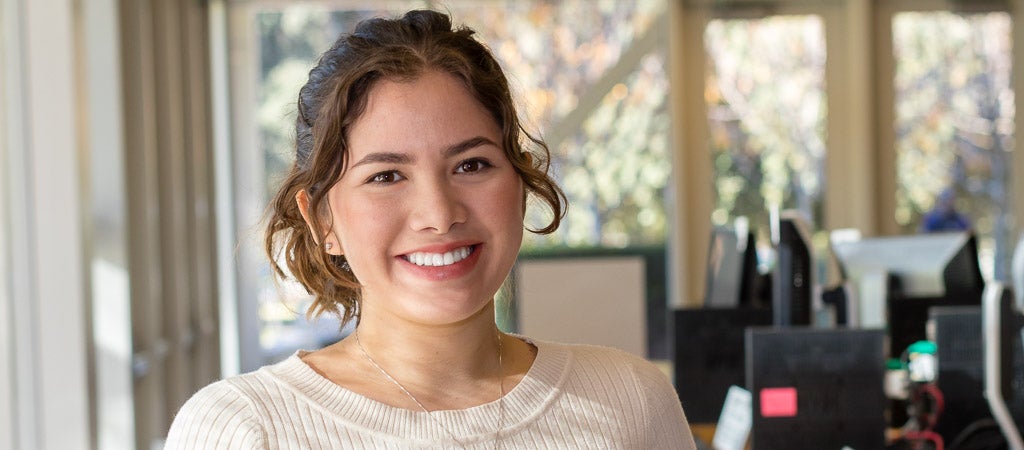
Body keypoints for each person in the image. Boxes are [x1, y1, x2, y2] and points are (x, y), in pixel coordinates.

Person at [165, 9, 695, 449]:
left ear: (521, 180)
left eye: (472, 165)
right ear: (322, 220)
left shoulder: (632, 401)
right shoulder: (243, 428)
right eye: (386, 175)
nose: (438, 214)